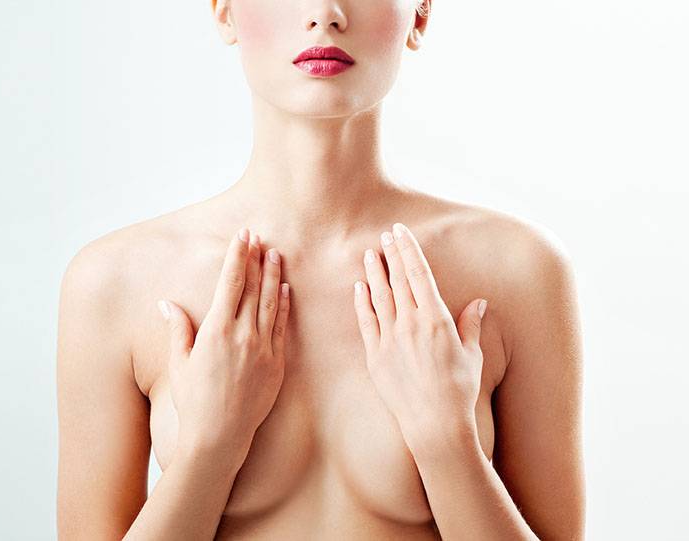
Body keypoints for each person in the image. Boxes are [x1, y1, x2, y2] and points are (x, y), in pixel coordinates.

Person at [56, 1, 585, 539]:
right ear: (223, 11)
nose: (325, 14)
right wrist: (207, 450)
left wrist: (446, 442)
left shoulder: (518, 272)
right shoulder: (112, 284)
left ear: (421, 13)